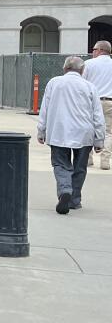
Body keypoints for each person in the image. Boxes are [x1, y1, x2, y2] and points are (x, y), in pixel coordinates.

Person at [36, 56, 106, 214]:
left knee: (60, 164)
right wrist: (99, 139)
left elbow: (45, 109)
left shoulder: (54, 83)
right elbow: (97, 115)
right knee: (80, 168)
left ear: (65, 68)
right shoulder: (90, 87)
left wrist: (42, 130)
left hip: (58, 132)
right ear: (82, 70)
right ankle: (74, 200)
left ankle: (65, 190)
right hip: (84, 133)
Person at [83, 40, 112, 170]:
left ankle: (88, 159)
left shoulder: (89, 64)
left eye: (94, 49)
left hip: (92, 101)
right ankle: (105, 161)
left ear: (100, 50)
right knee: (108, 132)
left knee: (89, 129)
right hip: (110, 101)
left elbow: (82, 83)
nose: (92, 52)